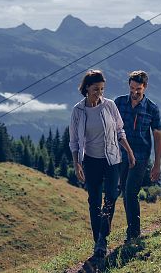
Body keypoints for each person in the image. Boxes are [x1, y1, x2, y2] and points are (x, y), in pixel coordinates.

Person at [69, 69, 136, 259]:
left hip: (112, 159)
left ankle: (102, 239)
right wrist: (77, 164)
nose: (99, 93)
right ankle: (98, 239)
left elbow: (120, 131)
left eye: (102, 89)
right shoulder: (78, 111)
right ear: (87, 89)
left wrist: (129, 152)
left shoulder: (109, 106)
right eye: (96, 89)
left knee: (111, 198)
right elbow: (73, 142)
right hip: (91, 161)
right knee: (94, 201)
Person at [115, 70, 161, 242]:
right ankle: (132, 229)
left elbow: (157, 138)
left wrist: (157, 164)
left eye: (139, 89)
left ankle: (134, 234)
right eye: (132, 88)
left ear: (145, 87)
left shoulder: (152, 109)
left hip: (141, 157)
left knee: (130, 193)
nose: (135, 93)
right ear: (129, 85)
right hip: (120, 156)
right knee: (124, 193)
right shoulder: (119, 103)